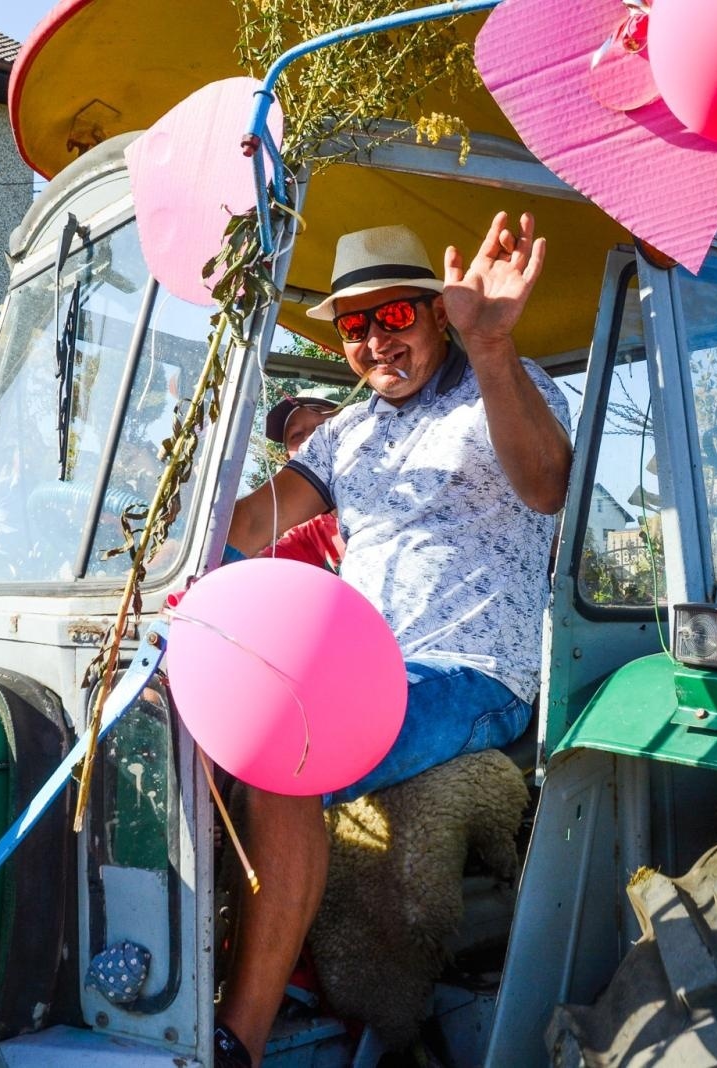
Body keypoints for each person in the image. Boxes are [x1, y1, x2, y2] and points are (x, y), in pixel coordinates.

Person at [213, 212, 573, 1067]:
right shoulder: (347, 431)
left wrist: (493, 350)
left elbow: (550, 486)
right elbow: (256, 523)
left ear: (440, 313)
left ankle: (238, 1040)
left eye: (396, 316)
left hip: (472, 671)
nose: (375, 340)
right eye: (354, 325)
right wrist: (169, 526)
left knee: (290, 748)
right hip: (364, 669)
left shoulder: (507, 386)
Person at [259, 390, 345, 570]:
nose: (311, 440)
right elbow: (256, 569)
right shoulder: (310, 536)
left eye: (324, 427)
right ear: (289, 460)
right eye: (296, 435)